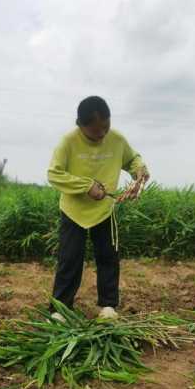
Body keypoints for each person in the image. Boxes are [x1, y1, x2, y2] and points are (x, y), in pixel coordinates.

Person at [47, 96, 149, 320]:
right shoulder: (68, 142)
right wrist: (86, 186)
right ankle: (60, 309)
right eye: (95, 130)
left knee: (108, 257)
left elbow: (132, 158)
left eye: (106, 126)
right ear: (80, 125)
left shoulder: (116, 139)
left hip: (104, 210)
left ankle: (108, 306)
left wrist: (139, 170)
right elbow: (53, 174)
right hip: (74, 211)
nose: (102, 134)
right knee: (70, 259)